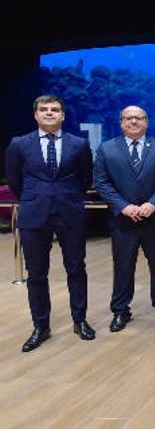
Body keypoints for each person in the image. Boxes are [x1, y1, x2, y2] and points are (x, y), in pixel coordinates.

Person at [5, 95, 95, 351]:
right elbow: (14, 181)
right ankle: (40, 326)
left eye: (55, 110)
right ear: (35, 115)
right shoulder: (19, 144)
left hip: (70, 213)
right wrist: (36, 199)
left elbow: (85, 179)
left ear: (63, 116)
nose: (49, 113)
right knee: (36, 274)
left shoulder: (79, 144)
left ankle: (80, 320)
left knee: (76, 268)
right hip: (34, 215)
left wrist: (65, 198)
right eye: (43, 110)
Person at [93, 106, 155, 332]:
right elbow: (101, 182)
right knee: (123, 267)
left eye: (138, 118)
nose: (133, 121)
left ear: (146, 122)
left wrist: (153, 203)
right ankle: (121, 310)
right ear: (121, 123)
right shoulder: (106, 149)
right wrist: (123, 207)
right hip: (123, 221)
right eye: (128, 118)